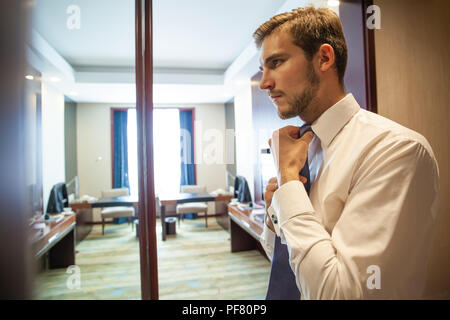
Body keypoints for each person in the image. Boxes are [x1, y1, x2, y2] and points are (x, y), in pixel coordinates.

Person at [254, 6, 440, 299]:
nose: (264, 82)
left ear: (324, 58)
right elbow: (289, 266)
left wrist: (289, 184)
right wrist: (274, 214)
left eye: (276, 62)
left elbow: (340, 293)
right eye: (262, 68)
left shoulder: (396, 151)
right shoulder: (300, 149)